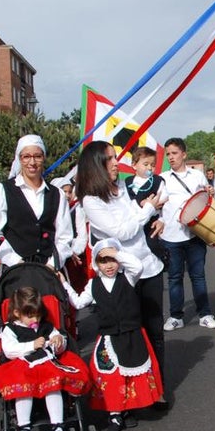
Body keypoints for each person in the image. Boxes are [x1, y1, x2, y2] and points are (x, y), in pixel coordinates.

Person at [76, 140, 170, 410]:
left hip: (149, 267)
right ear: (96, 165)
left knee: (155, 332)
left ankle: (157, 389)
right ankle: (126, 396)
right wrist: (148, 210)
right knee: (126, 332)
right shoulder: (91, 201)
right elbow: (123, 232)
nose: (117, 163)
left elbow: (138, 222)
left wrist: (157, 216)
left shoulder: (123, 189)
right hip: (121, 275)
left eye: (116, 157)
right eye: (110, 158)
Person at [66, 239, 164, 431]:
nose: (109, 265)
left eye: (112, 260)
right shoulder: (93, 285)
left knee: (131, 375)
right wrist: (63, 284)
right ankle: (114, 415)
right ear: (96, 264)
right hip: (108, 337)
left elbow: (137, 266)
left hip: (132, 333)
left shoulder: (128, 278)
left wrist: (117, 253)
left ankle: (127, 409)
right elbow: (77, 303)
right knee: (111, 377)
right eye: (103, 261)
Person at [0, 285, 90, 431]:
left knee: (54, 385)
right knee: (23, 388)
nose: (35, 320)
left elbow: (56, 341)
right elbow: (9, 350)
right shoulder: (10, 329)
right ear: (17, 313)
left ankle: (58, 426)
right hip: (23, 364)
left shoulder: (46, 327)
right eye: (30, 316)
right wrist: (31, 345)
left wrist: (58, 341)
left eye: (37, 316)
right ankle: (24, 427)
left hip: (47, 364)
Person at [0, 135, 74, 271]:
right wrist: (16, 262)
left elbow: (64, 236)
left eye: (37, 156)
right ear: (19, 159)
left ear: (43, 158)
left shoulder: (57, 194)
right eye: (26, 157)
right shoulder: (2, 190)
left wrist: (51, 265)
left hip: (49, 269)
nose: (32, 162)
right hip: (14, 269)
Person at [159, 137, 215, 330]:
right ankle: (176, 316)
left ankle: (205, 313)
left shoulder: (197, 176)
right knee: (175, 277)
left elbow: (206, 200)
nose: (171, 157)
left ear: (184, 154)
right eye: (168, 154)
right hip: (170, 235)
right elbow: (157, 205)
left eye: (174, 153)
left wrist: (211, 191)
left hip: (194, 234)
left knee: (198, 275)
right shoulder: (163, 178)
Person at [124, 145, 169, 268]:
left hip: (151, 220)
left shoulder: (157, 181)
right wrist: (140, 203)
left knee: (152, 242)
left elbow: (164, 197)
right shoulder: (128, 182)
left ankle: (164, 257)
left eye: (153, 165)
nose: (150, 167)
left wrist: (151, 204)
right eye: (146, 164)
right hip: (134, 220)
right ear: (134, 165)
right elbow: (127, 200)